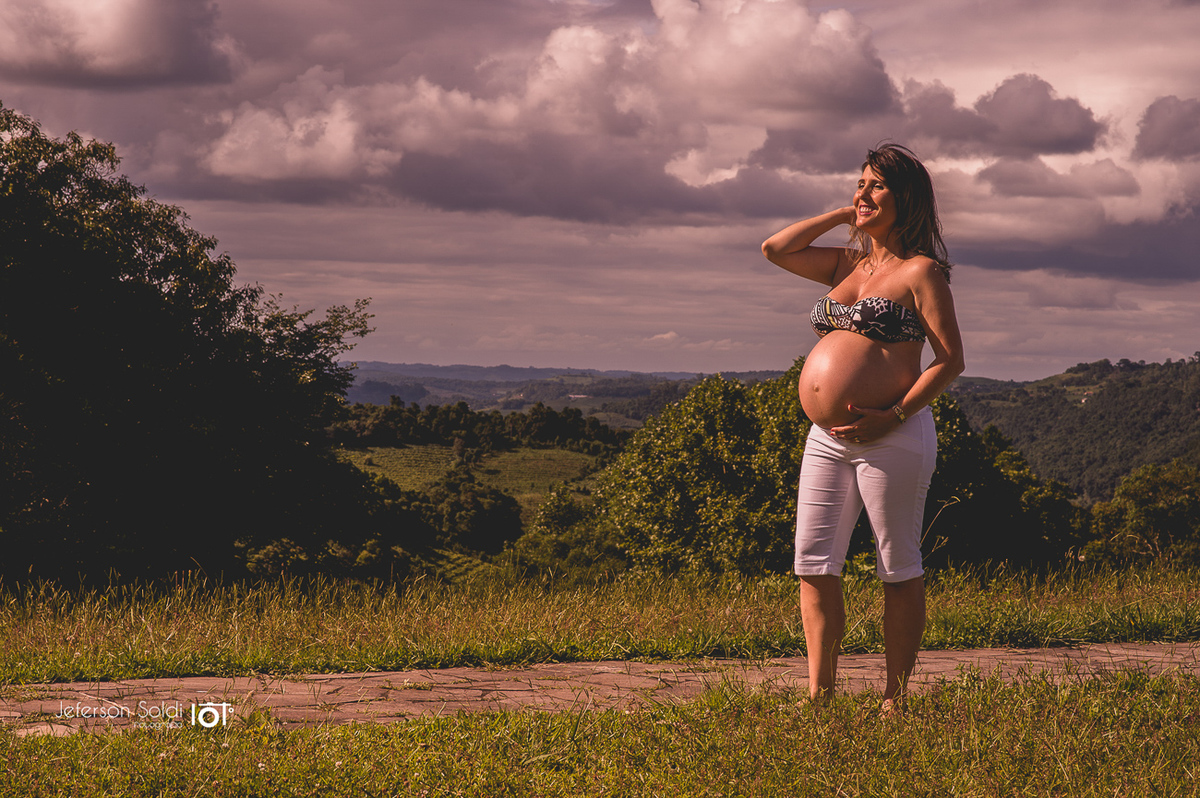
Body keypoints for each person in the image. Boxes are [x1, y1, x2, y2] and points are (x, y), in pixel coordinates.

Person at [761, 144, 965, 710]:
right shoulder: (846, 265)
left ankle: (894, 699)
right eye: (860, 184)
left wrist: (895, 415)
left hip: (893, 435)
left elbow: (950, 360)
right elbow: (775, 248)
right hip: (826, 439)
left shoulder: (921, 271)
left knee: (896, 566)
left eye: (877, 186)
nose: (864, 193)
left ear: (907, 198)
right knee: (812, 562)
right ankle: (819, 697)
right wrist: (843, 215)